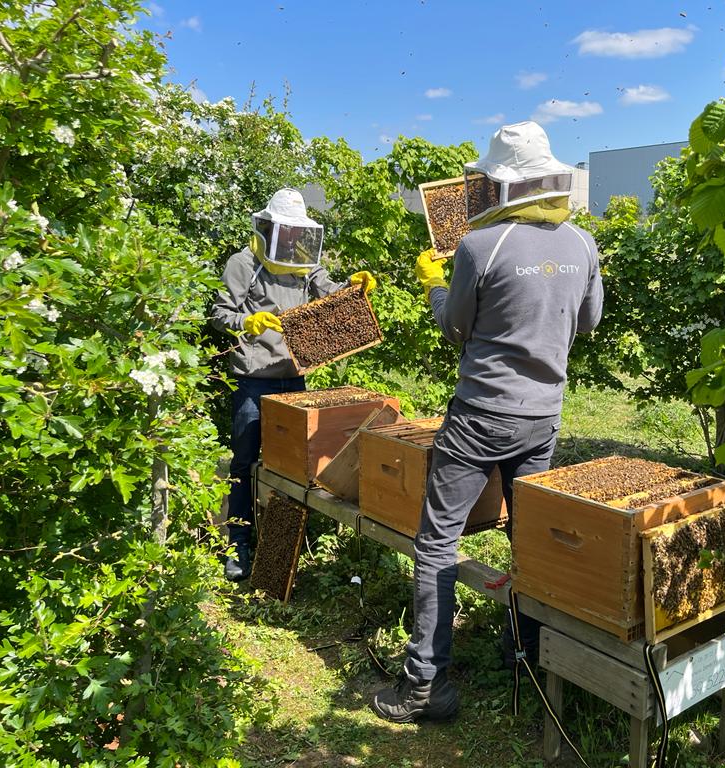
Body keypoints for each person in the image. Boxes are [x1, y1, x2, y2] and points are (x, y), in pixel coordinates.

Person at [371, 121, 603, 723]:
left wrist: (433, 288)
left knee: (438, 541)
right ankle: (523, 651)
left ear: (502, 185)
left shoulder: (480, 246)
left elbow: (456, 328)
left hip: (479, 414)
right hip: (543, 417)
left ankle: (426, 686)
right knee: (526, 537)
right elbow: (589, 323)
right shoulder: (582, 243)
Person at [210, 188, 376, 582]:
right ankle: (238, 545)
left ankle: (283, 546)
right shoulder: (244, 262)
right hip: (253, 378)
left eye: (296, 233)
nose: (290, 241)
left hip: (293, 377)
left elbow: (331, 294)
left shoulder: (304, 261)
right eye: (285, 232)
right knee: (244, 465)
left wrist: (355, 289)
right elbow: (219, 313)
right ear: (270, 227)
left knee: (294, 465)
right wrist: (244, 323)